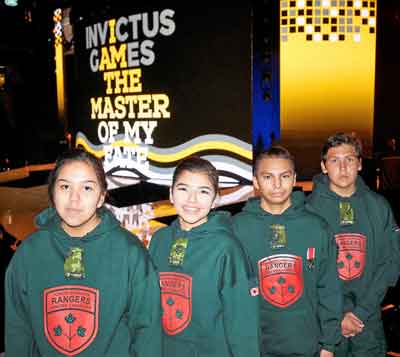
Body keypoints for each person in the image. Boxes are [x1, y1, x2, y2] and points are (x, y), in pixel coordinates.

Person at [5, 149, 162, 356]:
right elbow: (18, 329)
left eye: (87, 188)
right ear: (52, 193)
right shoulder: (29, 253)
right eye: (65, 187)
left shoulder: (130, 253)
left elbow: (147, 332)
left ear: (101, 198)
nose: (74, 199)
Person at [232, 146, 342, 357]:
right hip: (253, 347)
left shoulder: (317, 227)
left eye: (284, 176)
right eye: (267, 177)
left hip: (306, 346)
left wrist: (329, 343)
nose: (276, 185)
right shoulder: (236, 229)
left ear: (294, 180)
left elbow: (329, 289)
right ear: (255, 181)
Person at [149, 156, 260, 357]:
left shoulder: (226, 247)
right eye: (183, 189)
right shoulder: (159, 240)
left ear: (215, 199)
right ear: (171, 194)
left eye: (203, 191)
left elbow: (242, 320)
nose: (192, 200)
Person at [307, 132, 400, 357]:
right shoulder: (308, 211)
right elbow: (307, 271)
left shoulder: (379, 207)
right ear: (323, 166)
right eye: (334, 160)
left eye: (349, 159)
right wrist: (337, 314)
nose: (343, 167)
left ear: (359, 164)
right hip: (325, 323)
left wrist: (359, 313)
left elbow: (391, 263)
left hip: (367, 320)